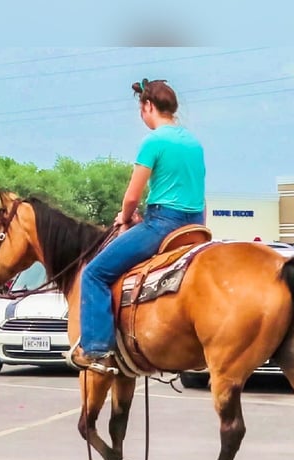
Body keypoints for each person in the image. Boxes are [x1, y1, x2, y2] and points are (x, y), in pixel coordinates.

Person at [67, 78, 206, 373]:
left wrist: (126, 216)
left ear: (148, 106)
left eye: (141, 110)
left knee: (95, 273)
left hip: (162, 224)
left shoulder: (153, 141)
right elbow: (199, 195)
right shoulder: (194, 143)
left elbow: (132, 196)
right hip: (195, 227)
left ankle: (95, 349)